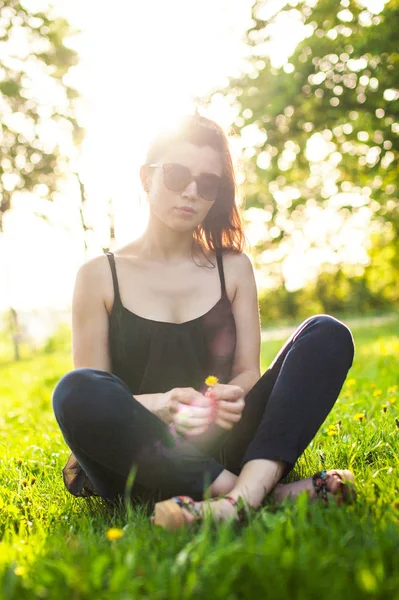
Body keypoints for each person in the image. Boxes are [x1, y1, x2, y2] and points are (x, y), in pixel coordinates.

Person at [52, 113, 356, 531]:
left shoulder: (232, 268)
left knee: (327, 333)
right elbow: (95, 390)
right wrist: (165, 404)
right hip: (137, 463)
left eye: (208, 183)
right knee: (74, 389)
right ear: (146, 178)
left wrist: (228, 397)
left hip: (225, 444)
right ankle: (262, 494)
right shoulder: (98, 275)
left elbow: (248, 371)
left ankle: (236, 502)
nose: (192, 192)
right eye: (177, 175)